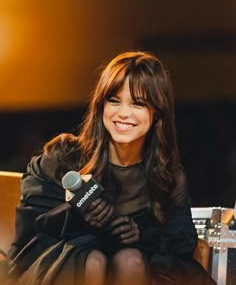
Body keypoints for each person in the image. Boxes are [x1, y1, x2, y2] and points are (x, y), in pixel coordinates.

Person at [7, 51, 216, 285]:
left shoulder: (167, 176)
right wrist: (74, 213)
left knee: (131, 259)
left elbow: (181, 248)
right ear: (101, 105)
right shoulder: (64, 158)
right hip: (62, 272)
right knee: (92, 259)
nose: (123, 113)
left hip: (135, 271)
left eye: (138, 103)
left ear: (157, 113)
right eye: (114, 101)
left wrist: (140, 236)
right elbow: (28, 242)